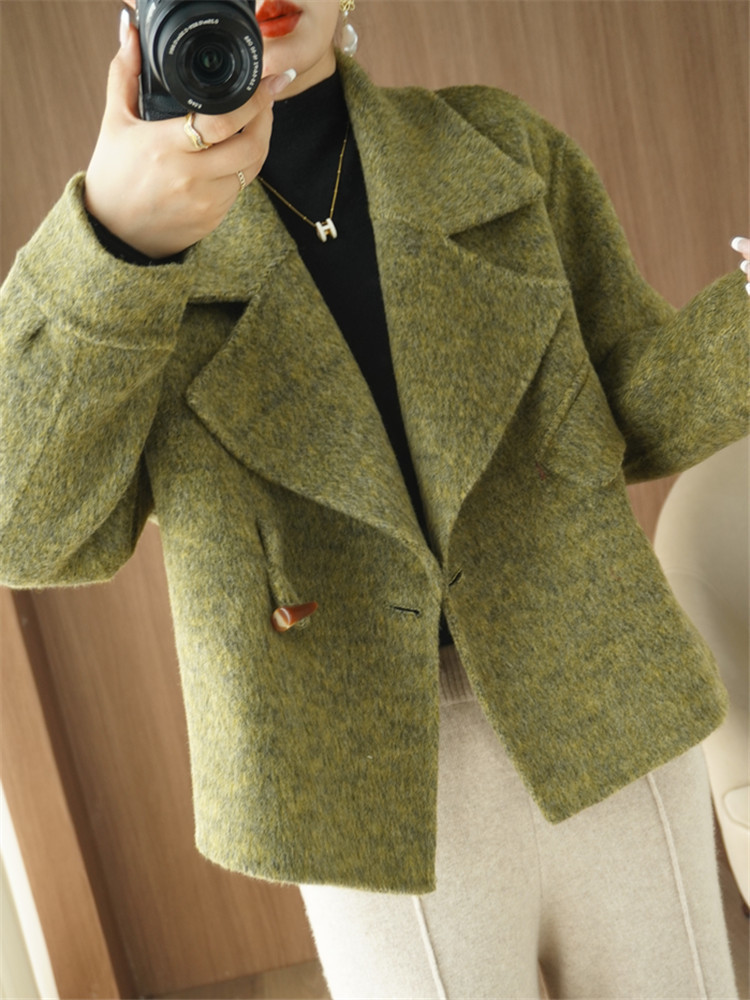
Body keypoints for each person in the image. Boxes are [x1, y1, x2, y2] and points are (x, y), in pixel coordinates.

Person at [1, 1, 748, 996]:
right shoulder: (125, 244)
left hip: (603, 693)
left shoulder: (497, 145)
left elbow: (630, 409)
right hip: (356, 773)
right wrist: (118, 250)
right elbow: (27, 532)